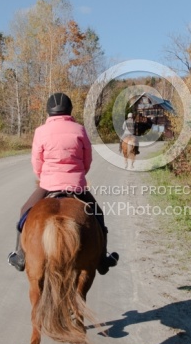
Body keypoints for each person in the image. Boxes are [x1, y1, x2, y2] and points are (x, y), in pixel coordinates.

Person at [8, 92, 119, 274]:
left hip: (48, 184)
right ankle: (103, 259)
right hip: (75, 185)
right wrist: (78, 175)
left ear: (49, 111)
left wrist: (44, 177)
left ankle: (20, 256)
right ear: (69, 110)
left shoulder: (40, 131)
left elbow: (37, 162)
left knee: (24, 212)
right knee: (98, 213)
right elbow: (87, 160)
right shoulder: (80, 130)